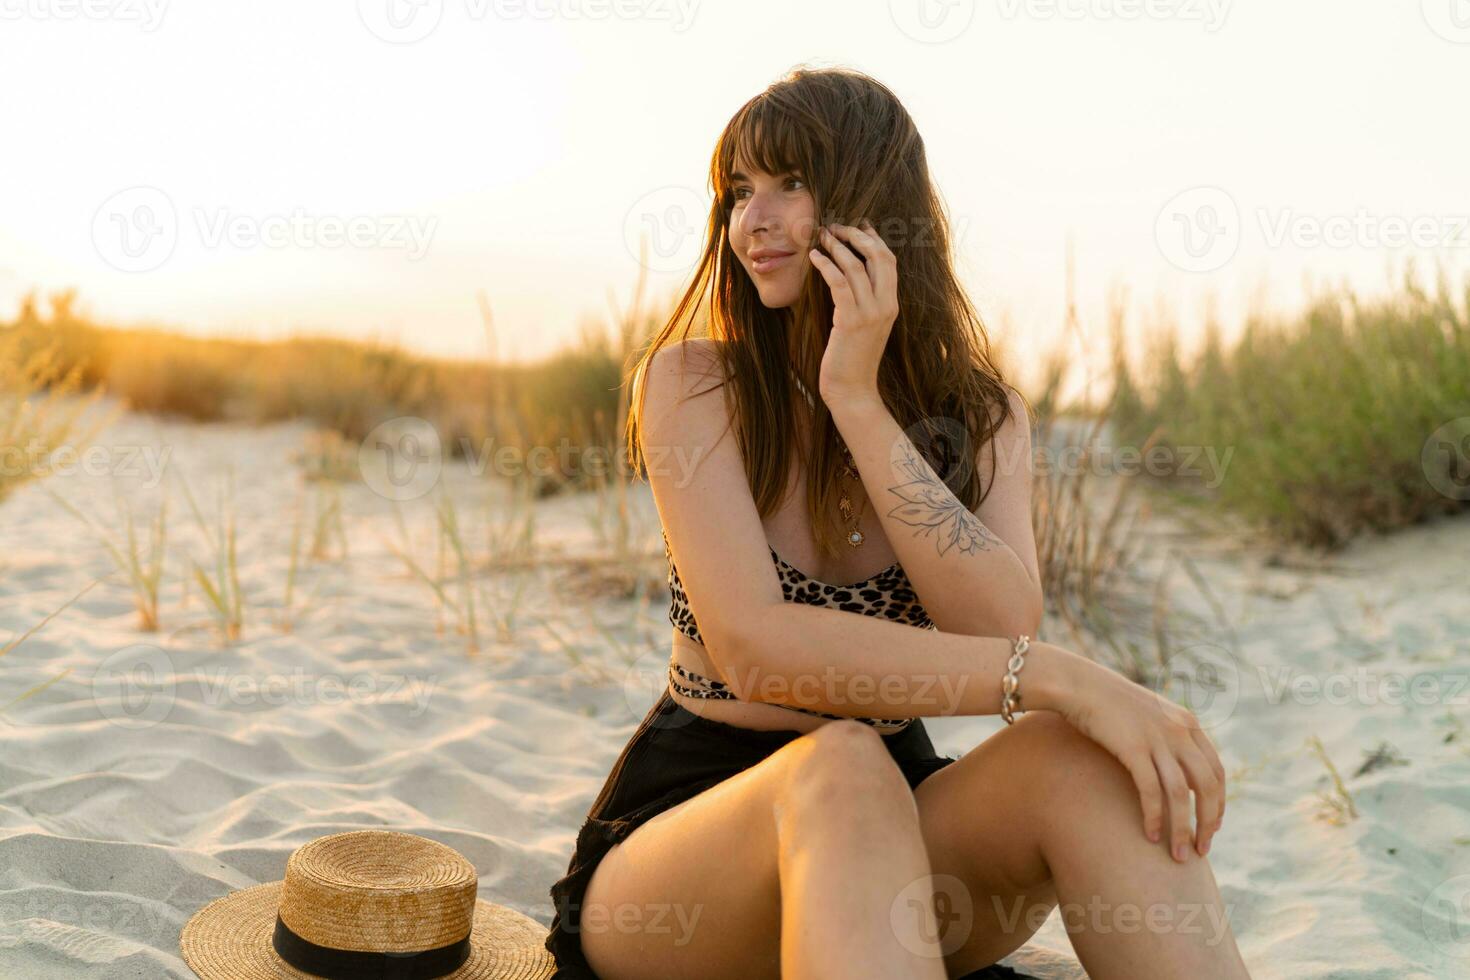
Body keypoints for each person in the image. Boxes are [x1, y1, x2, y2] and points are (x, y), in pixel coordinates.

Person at [545, 65, 1251, 980]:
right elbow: (759, 650)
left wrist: (858, 401)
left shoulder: (985, 417)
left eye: (791, 183)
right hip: (682, 867)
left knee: (1076, 762)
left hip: (891, 844)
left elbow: (998, 628)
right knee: (840, 763)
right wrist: (1068, 679)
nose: (753, 221)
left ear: (872, 201)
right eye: (738, 192)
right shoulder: (695, 386)